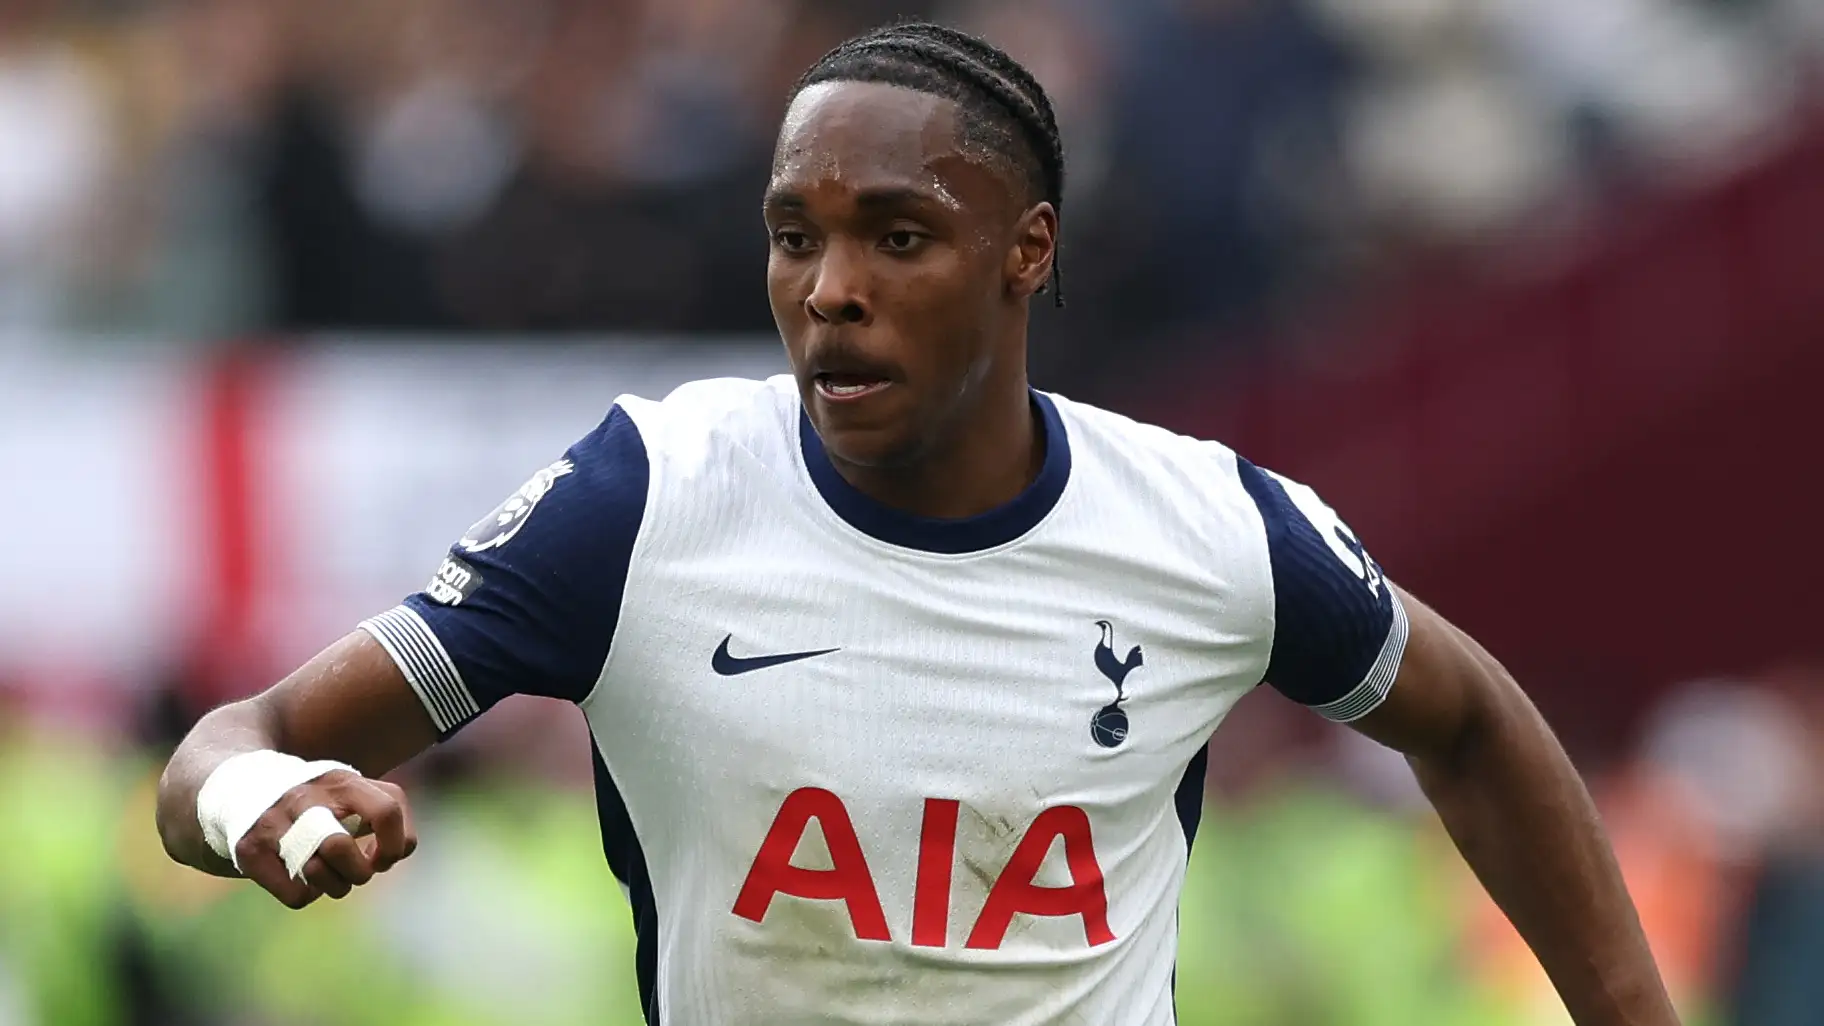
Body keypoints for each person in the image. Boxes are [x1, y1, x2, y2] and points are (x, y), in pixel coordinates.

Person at [155, 22, 1679, 1026]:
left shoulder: (1205, 528)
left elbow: (1470, 719)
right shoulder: (648, 498)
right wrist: (263, 805)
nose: (831, 291)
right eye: (793, 237)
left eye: (898, 236)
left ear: (1028, 251)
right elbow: (230, 743)